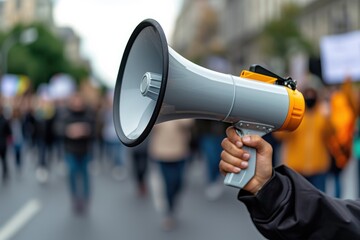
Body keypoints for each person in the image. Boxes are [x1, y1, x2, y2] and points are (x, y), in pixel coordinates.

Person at [219, 126, 360, 239]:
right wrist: (269, 188)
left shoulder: (322, 111)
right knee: (316, 200)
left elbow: (330, 134)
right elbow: (328, 221)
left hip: (318, 166)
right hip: (296, 165)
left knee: (320, 196)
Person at [61, 92, 95, 215]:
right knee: (72, 173)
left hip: (85, 150)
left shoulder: (88, 115)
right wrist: (69, 131)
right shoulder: (66, 115)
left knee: (85, 175)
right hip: (71, 150)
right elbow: (59, 129)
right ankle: (75, 197)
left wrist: (84, 130)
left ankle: (85, 198)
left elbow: (94, 130)